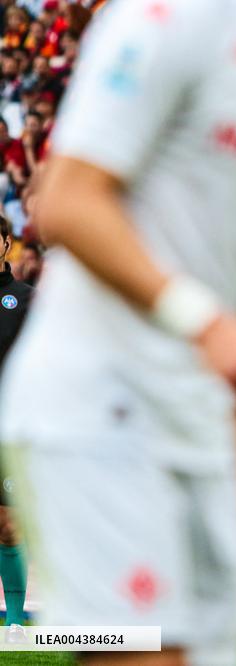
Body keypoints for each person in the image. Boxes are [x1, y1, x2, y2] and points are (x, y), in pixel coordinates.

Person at [0, 1, 236, 662]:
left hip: (198, 417)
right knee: (142, 652)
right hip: (94, 400)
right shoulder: (168, 18)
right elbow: (66, 200)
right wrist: (203, 321)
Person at [0, 214, 30, 629]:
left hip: (9, 430)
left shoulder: (26, 299)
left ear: (7, 243)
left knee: (7, 527)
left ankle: (16, 622)